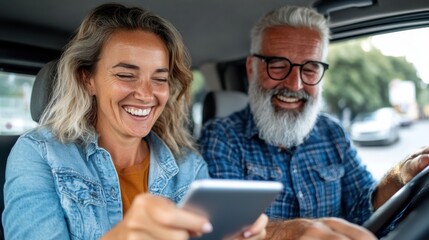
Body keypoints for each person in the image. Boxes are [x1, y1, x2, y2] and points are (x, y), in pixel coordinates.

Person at [2, 3, 268, 240]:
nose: (145, 94)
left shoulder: (188, 165)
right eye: (126, 75)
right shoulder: (39, 154)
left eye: (159, 78)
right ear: (88, 79)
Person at [198, 5, 429, 239]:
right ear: (251, 69)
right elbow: (224, 228)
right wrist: (292, 232)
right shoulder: (221, 137)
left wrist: (401, 175)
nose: (295, 84)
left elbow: (363, 206)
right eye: (278, 65)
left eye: (310, 69)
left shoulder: (332, 133)